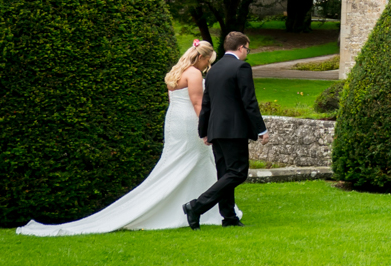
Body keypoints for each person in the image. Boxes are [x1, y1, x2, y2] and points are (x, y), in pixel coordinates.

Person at [18, 39, 243, 235]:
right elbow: (197, 103)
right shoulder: (193, 73)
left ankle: (207, 207)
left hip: (174, 119)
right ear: (201, 57)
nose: (208, 66)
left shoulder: (176, 72)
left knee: (184, 162)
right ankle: (199, 207)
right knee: (193, 161)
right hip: (189, 121)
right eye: (208, 62)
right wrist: (205, 129)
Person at [182, 31, 267, 229]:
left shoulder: (213, 69)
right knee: (237, 173)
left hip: (216, 129)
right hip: (234, 130)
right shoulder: (241, 67)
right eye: (247, 48)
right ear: (240, 47)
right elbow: (249, 101)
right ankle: (196, 206)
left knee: (225, 174)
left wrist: (204, 131)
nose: (247, 52)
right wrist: (261, 129)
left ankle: (229, 217)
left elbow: (207, 104)